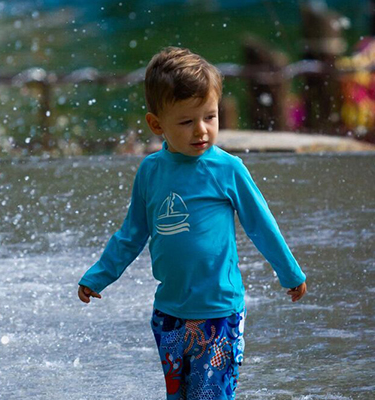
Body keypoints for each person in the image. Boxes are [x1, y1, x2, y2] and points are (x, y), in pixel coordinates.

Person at [76, 47, 308, 400]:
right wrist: (99, 275)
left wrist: (289, 272)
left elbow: (261, 225)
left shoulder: (227, 169)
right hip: (169, 312)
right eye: (186, 122)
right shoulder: (151, 171)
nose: (201, 130)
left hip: (219, 312)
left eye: (210, 117)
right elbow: (131, 234)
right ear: (157, 125)